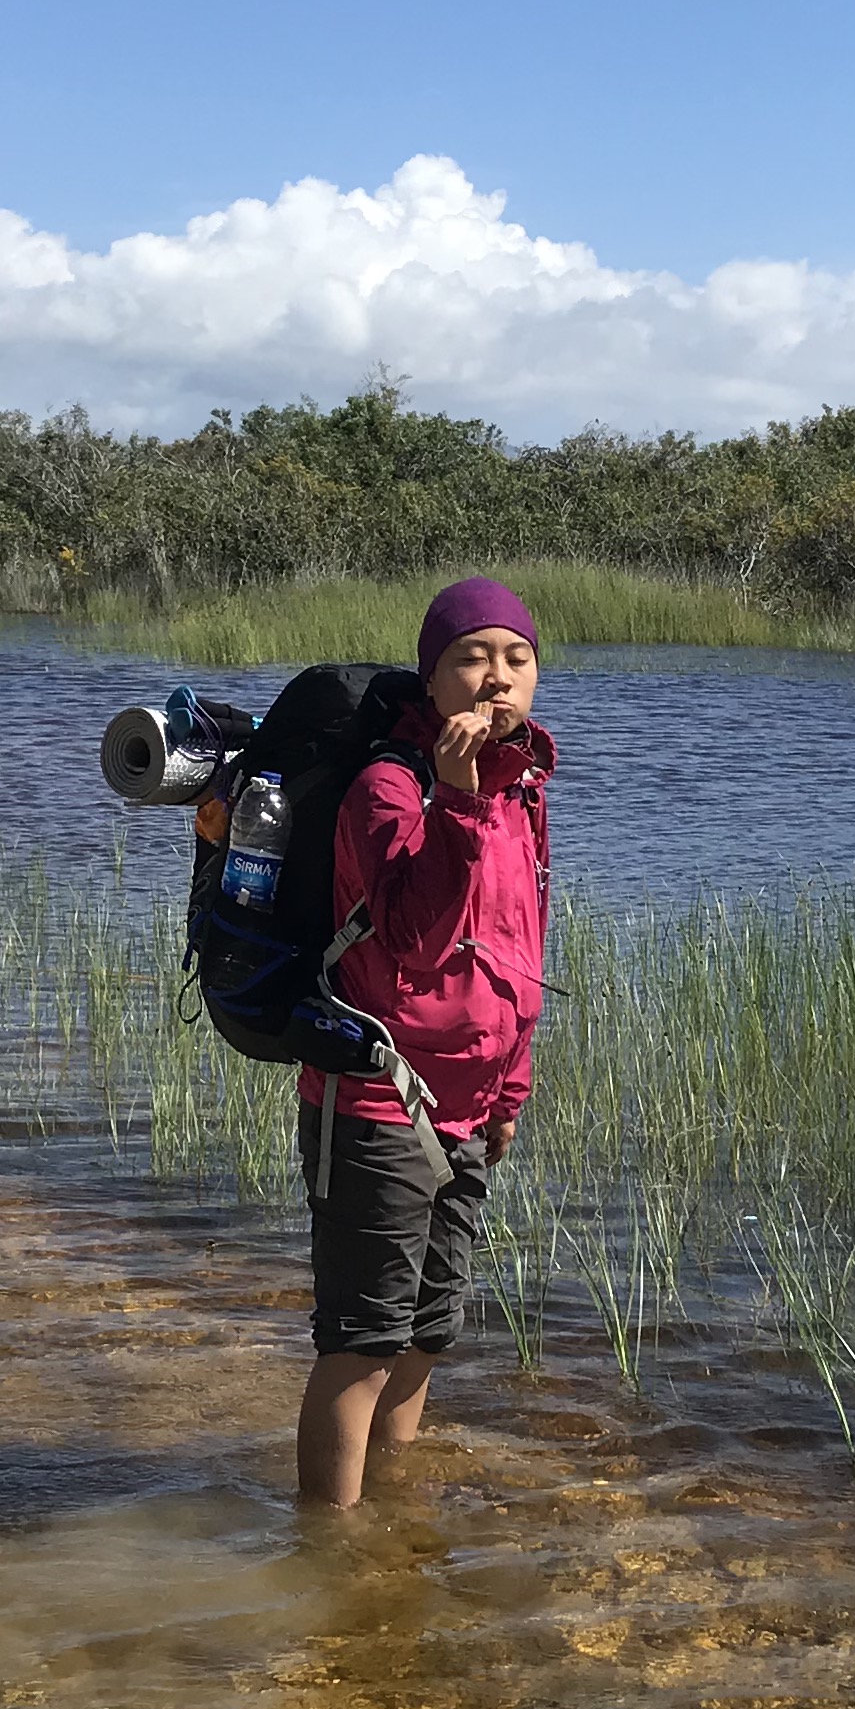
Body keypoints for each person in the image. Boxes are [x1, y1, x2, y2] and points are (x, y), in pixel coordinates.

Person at [294, 575, 551, 1508]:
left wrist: (510, 1093)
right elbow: (414, 938)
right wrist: (454, 798)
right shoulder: (387, 789)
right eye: (471, 658)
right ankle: (328, 1551)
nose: (496, 679)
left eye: (516, 660)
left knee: (426, 1332)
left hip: (470, 1108)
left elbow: (518, 954)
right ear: (431, 680)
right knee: (362, 1341)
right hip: (375, 1098)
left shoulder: (521, 794)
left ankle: (392, 1517)